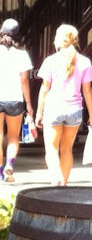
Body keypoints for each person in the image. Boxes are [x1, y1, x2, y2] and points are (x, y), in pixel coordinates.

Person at [0, 17, 35, 183]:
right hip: (15, 99)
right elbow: (24, 81)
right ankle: (10, 165)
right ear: (18, 35)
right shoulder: (22, 54)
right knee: (13, 137)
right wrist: (29, 104)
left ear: (1, 32)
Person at [35, 23, 92, 186]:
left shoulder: (50, 61)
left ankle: (56, 179)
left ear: (58, 40)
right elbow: (87, 91)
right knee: (67, 149)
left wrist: (39, 112)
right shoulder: (85, 62)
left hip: (54, 108)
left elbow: (45, 89)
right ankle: (63, 185)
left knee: (51, 150)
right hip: (74, 110)